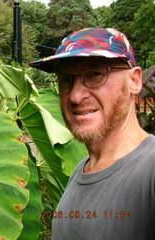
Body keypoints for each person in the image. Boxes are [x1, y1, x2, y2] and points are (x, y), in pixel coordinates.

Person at [29, 28, 155, 239]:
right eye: (66, 79)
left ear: (134, 81)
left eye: (95, 74)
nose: (75, 96)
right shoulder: (82, 170)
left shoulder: (150, 169)